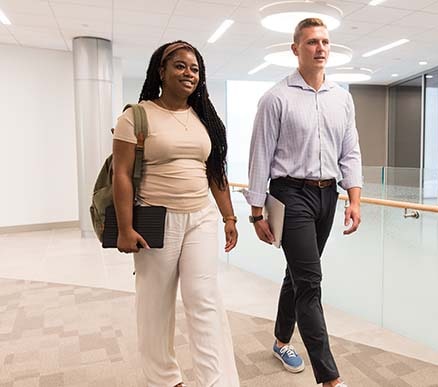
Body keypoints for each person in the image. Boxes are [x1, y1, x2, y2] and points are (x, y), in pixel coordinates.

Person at [112, 40, 240, 387]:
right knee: (155, 306)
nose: (189, 73)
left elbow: (216, 172)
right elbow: (120, 175)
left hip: (200, 218)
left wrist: (229, 217)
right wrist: (125, 228)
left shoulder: (205, 118)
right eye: (181, 66)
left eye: (195, 68)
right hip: (156, 219)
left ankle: (215, 380)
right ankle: (165, 379)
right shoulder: (136, 116)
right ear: (161, 71)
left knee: (205, 301)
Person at [245, 18, 363, 387]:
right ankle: (330, 378)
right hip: (290, 193)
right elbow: (260, 156)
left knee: (296, 274)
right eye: (312, 42)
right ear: (296, 49)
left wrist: (354, 199)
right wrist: (255, 213)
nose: (321, 48)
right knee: (310, 282)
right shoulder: (276, 98)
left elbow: (351, 151)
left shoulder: (342, 98)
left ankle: (282, 342)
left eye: (325, 41)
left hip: (328, 195)